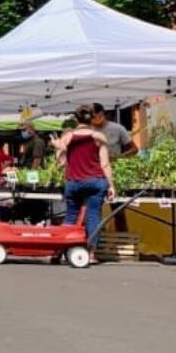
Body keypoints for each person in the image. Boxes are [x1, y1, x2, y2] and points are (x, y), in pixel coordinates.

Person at [56, 106, 115, 261]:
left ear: (76, 120)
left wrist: (60, 149)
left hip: (74, 182)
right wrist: (112, 186)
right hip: (96, 182)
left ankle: (63, 250)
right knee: (93, 215)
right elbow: (105, 164)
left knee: (70, 216)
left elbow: (61, 163)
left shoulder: (67, 138)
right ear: (92, 119)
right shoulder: (98, 136)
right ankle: (91, 253)